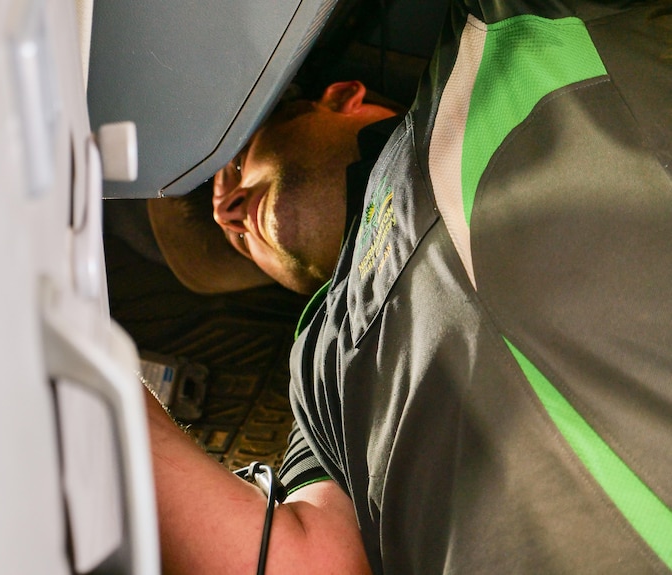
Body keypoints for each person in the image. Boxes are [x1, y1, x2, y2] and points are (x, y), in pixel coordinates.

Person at [144, 0, 672, 572]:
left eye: (235, 163)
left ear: (345, 96)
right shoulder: (316, 380)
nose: (228, 215)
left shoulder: (503, 27)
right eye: (238, 243)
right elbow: (303, 561)